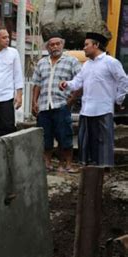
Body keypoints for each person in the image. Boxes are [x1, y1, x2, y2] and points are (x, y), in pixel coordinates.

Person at [60, 32, 128, 167]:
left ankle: (105, 169)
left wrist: (118, 100)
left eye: (86, 45)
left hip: (104, 108)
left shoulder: (111, 62)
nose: (84, 48)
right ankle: (88, 167)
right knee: (85, 141)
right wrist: (66, 84)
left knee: (103, 141)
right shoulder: (86, 65)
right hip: (86, 110)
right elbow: (77, 82)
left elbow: (124, 81)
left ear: (96, 45)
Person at [32, 33, 81, 172]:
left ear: (62, 45)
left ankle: (67, 164)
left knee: (64, 136)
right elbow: (37, 84)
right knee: (45, 137)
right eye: (51, 44)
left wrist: (72, 100)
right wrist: (34, 102)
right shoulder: (42, 62)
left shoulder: (72, 61)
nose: (54, 47)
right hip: (44, 106)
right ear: (47, 47)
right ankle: (47, 163)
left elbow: (81, 82)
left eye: (57, 44)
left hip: (61, 105)